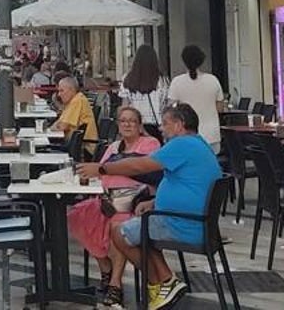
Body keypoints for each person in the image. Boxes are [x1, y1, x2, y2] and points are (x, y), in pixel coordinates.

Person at [79, 103, 222, 310]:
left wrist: (101, 168)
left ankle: (161, 282)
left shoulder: (182, 144)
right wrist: (153, 202)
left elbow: (140, 165)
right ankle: (165, 282)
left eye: (165, 124)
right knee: (138, 231)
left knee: (120, 232)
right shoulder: (198, 144)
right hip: (192, 221)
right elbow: (190, 185)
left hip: (182, 224)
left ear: (179, 125)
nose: (161, 128)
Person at [66, 107, 161, 306]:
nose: (127, 124)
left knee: (117, 226)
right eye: (123, 121)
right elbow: (99, 172)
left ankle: (115, 284)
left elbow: (149, 171)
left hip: (136, 203)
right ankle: (105, 269)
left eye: (132, 121)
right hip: (108, 200)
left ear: (140, 125)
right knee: (78, 216)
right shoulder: (114, 147)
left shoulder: (150, 144)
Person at [166, 45, 224, 152]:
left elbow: (171, 108)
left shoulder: (177, 82)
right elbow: (220, 108)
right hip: (212, 135)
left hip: (186, 135)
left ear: (184, 61)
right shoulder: (213, 80)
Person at [119, 45, 169, 136]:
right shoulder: (162, 80)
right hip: (157, 126)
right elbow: (165, 105)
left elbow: (125, 107)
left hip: (135, 126)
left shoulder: (128, 79)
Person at [52, 77, 98, 154]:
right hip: (75, 146)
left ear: (72, 90)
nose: (59, 94)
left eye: (62, 91)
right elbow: (59, 123)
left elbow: (63, 126)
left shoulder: (77, 101)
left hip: (83, 149)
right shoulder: (73, 101)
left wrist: (52, 128)